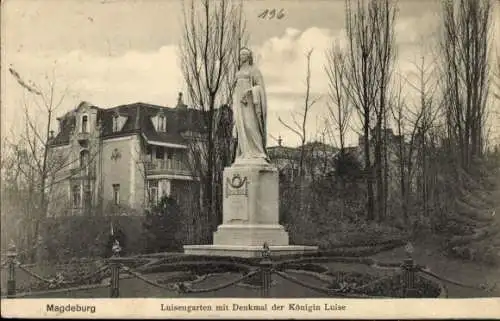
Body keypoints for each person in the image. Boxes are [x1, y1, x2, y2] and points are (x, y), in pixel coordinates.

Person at [232, 47, 270, 164]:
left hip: (250, 104)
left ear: (248, 57)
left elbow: (260, 88)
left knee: (250, 126)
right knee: (241, 127)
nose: (241, 57)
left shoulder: (254, 71)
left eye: (243, 55)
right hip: (239, 105)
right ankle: (245, 153)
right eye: (240, 54)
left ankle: (258, 152)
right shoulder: (238, 73)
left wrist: (249, 92)